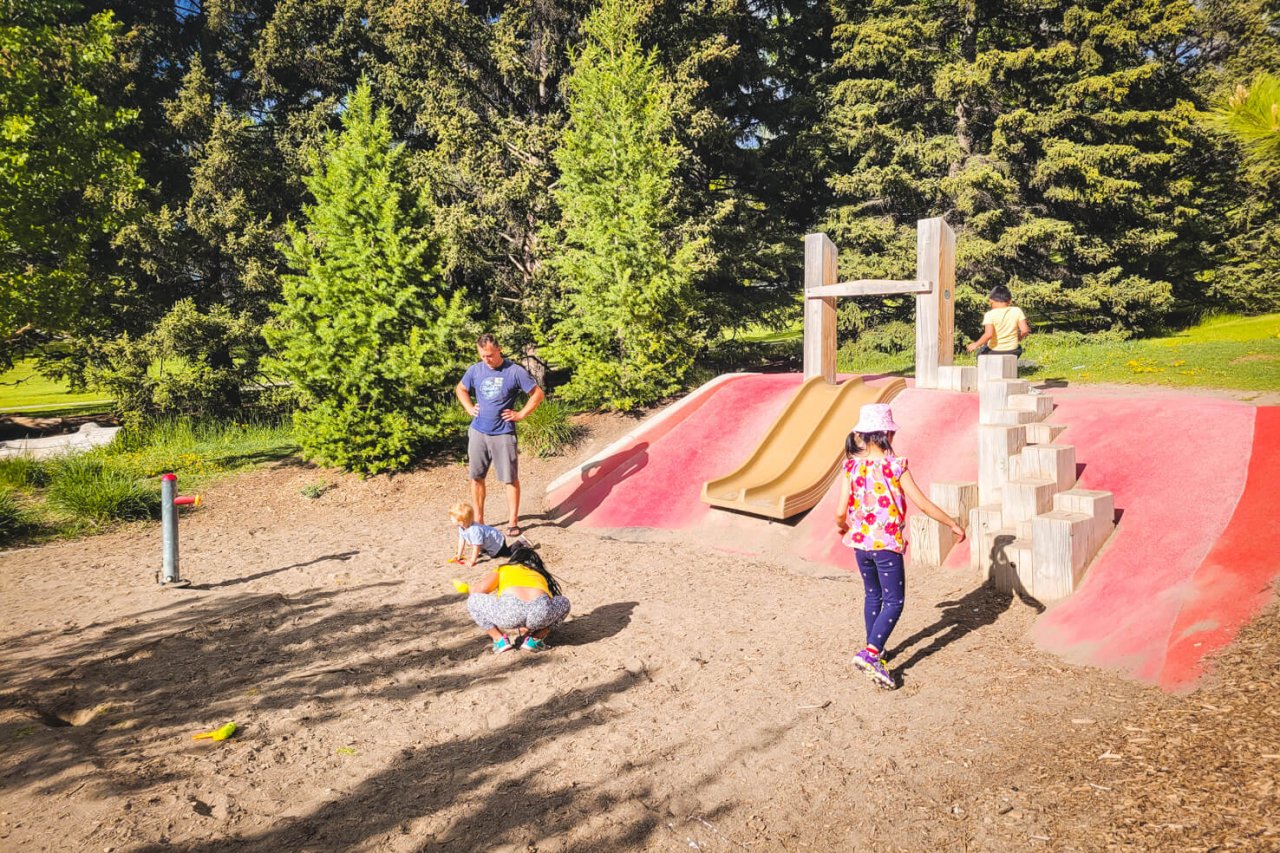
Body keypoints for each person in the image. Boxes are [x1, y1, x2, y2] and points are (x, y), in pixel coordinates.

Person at [835, 403, 965, 689]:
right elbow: (923, 504)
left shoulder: (852, 466)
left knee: (873, 595)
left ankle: (875, 648)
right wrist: (952, 523)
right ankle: (871, 654)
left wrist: (842, 526)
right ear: (887, 434)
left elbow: (840, 510)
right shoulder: (895, 466)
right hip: (886, 545)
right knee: (894, 601)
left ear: (862, 435)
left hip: (860, 544)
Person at [455, 333, 545, 536]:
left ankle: (513, 521)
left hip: (503, 433)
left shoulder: (514, 371)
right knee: (476, 477)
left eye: (490, 355)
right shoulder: (475, 370)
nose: (486, 359)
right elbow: (461, 389)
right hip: (478, 431)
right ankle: (479, 520)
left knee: (510, 478)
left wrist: (521, 414)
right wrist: (469, 407)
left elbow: (537, 394)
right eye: (482, 356)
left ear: (499, 349)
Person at [457, 546, 570, 654]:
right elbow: (546, 602)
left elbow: (479, 590)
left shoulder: (504, 569)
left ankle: (499, 640)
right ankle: (535, 640)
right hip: (539, 615)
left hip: (510, 615)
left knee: (473, 600)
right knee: (564, 602)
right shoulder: (540, 574)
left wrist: (469, 589)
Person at [448, 501, 520, 567]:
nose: (450, 519)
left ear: (461, 522)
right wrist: (459, 555)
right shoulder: (461, 528)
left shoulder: (474, 530)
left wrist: (472, 560)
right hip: (489, 541)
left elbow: (476, 546)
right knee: (485, 551)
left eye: (452, 518)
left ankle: (520, 543)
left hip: (497, 543)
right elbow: (461, 540)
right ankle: (487, 549)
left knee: (504, 554)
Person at [966, 284, 1030, 357]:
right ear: (1009, 301)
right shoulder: (1017, 310)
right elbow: (1025, 330)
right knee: (1019, 348)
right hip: (1013, 351)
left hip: (995, 351)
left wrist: (975, 344)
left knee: (980, 354)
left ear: (991, 300)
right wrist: (1019, 338)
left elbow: (988, 334)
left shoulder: (990, 314)